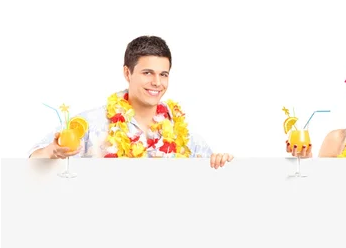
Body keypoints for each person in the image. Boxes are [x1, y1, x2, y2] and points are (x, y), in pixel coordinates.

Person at [29, 35, 233, 169]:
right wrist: (51, 151)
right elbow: (31, 161)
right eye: (147, 73)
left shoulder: (184, 135)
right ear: (127, 73)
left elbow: (211, 177)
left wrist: (220, 163)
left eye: (164, 74)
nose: (157, 82)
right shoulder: (90, 124)